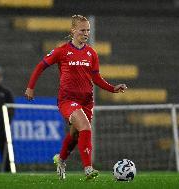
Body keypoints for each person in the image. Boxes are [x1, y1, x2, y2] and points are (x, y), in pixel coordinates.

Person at [24, 15, 127, 180]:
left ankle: (61, 160)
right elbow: (40, 66)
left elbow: (96, 78)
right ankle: (88, 168)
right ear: (73, 30)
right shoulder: (62, 51)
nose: (86, 33)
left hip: (87, 100)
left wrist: (112, 88)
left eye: (88, 30)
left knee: (76, 135)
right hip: (67, 99)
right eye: (82, 30)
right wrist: (30, 87)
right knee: (85, 127)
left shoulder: (91, 53)